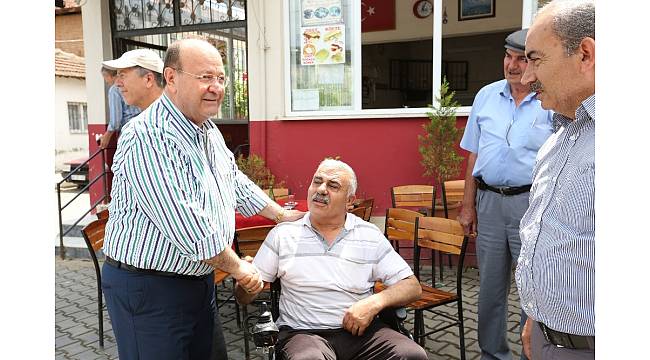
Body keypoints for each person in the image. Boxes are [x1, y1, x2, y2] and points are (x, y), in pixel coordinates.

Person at [101, 38, 305, 360]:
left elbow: (234, 181)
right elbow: (187, 226)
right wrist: (241, 269)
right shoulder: (149, 135)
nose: (216, 87)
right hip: (149, 288)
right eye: (205, 77)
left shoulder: (205, 129)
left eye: (221, 78)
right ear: (171, 78)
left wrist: (280, 215)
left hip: (197, 280)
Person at [236, 159, 428, 360]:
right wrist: (246, 284)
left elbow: (412, 287)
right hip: (303, 333)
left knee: (412, 355)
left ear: (349, 201)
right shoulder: (283, 234)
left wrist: (375, 303)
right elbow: (243, 297)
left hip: (361, 332)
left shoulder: (368, 235)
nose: (321, 189)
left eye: (333, 185)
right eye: (316, 182)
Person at [457, 29, 554, 360]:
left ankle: (533, 353)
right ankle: (492, 354)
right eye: (508, 57)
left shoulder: (549, 100)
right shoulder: (485, 96)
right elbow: (473, 155)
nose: (513, 65)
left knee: (533, 286)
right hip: (489, 204)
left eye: (522, 59)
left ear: (534, 64)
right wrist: (467, 205)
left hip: (531, 204)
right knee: (490, 289)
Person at [516, 1, 595, 359]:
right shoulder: (558, 140)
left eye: (535, 59)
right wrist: (537, 316)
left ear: (585, 54)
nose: (526, 77)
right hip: (548, 337)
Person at [98, 66, 140, 149]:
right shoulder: (132, 85)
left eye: (105, 78)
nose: (106, 81)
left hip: (128, 131)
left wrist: (107, 136)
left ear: (109, 76)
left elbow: (116, 120)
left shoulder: (114, 90)